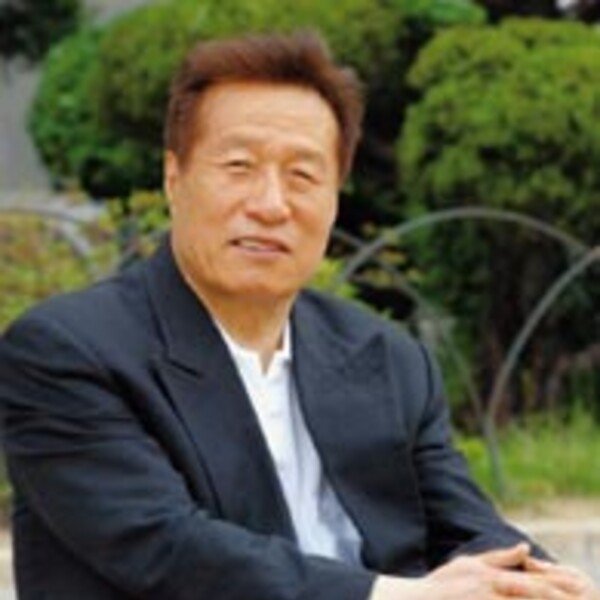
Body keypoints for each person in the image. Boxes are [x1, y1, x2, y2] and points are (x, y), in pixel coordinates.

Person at [0, 30, 597, 600]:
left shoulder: (386, 358)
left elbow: (470, 530)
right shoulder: (67, 351)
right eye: (239, 167)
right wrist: (394, 594)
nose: (270, 205)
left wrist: (541, 582)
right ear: (174, 178)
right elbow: (170, 551)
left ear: (335, 199)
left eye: (303, 175)